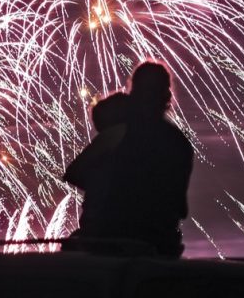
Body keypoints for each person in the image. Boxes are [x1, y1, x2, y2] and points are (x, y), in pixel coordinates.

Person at [64, 62, 194, 257]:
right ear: (166, 96)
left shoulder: (118, 133)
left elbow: (73, 173)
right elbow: (181, 209)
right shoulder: (180, 144)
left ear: (135, 93)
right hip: (158, 245)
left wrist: (103, 185)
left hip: (109, 241)